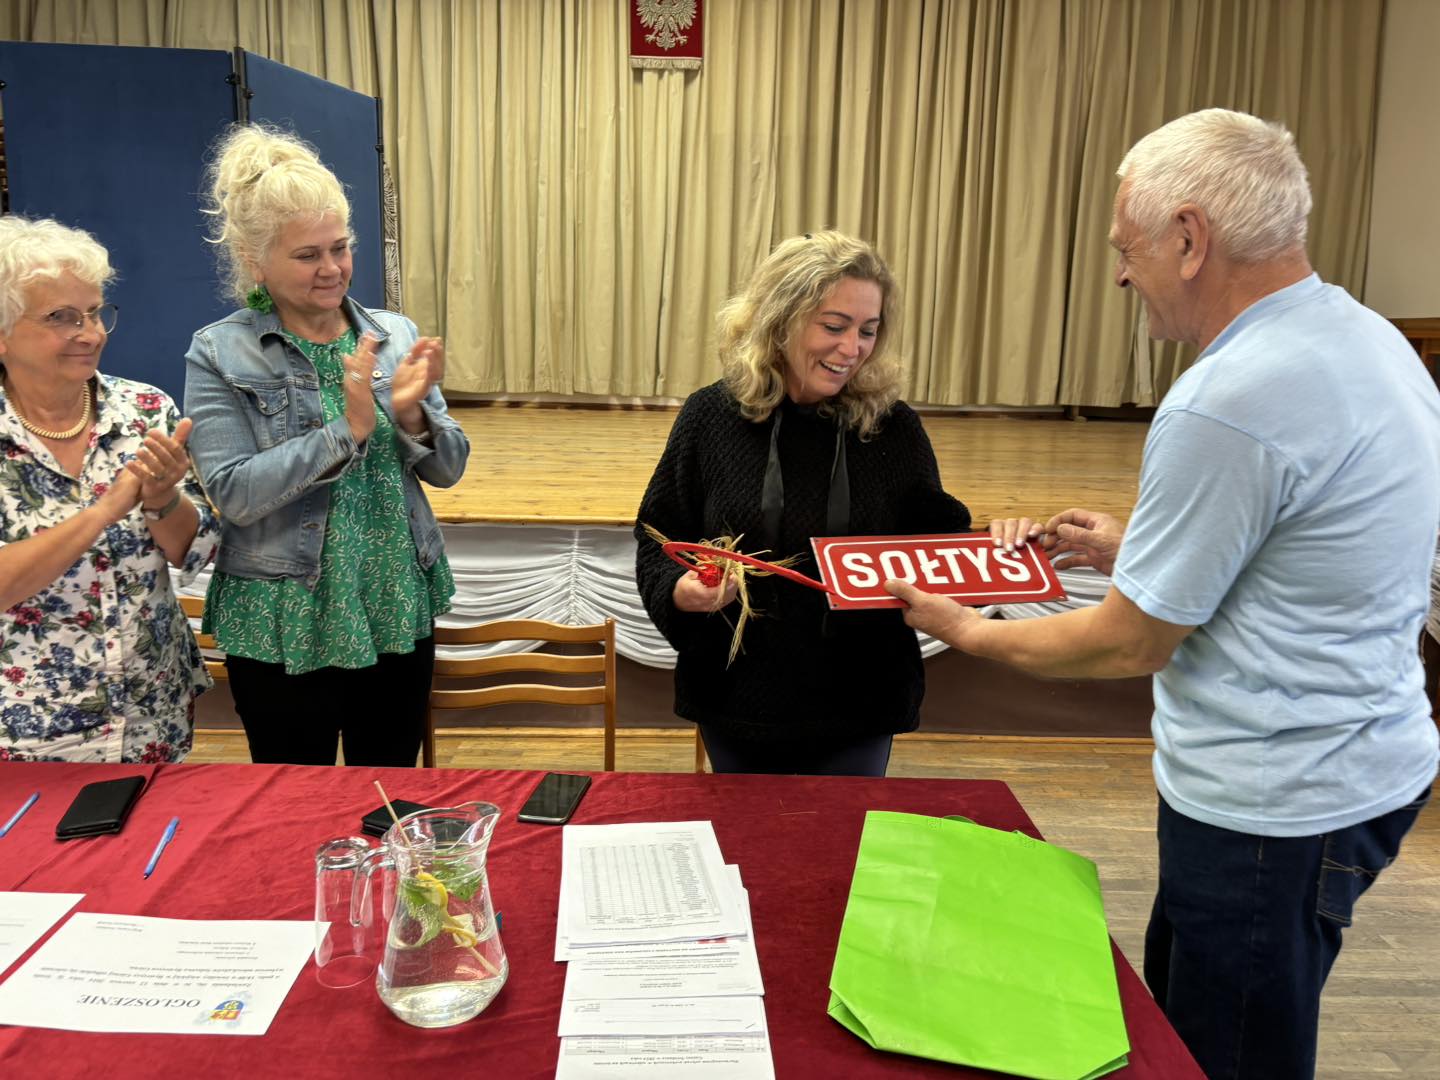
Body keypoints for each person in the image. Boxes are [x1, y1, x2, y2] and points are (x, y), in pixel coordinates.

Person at [888, 109, 1440, 1080]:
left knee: (1221, 1058)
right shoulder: (1366, 338)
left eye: (1125, 247)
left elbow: (1127, 644)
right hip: (1356, 767)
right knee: (1184, 1026)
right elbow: (1301, 553)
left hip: (1271, 805)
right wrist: (1138, 548)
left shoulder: (1231, 396)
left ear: (1189, 238)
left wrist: (966, 630)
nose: (1119, 274)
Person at [184, 125, 470, 767]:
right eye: (307, 255)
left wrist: (411, 415)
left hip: (391, 599)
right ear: (256, 261)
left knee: (387, 790)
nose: (332, 269)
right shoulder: (219, 351)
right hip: (283, 613)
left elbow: (449, 469)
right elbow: (234, 493)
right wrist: (349, 430)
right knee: (291, 798)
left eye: (340, 248)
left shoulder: (394, 334)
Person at [634, 231, 971, 776]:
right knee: (747, 831)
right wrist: (681, 591)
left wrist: (1005, 549)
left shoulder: (893, 429)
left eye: (868, 330)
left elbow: (940, 543)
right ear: (780, 319)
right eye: (834, 326)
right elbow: (658, 537)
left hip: (860, 704)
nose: (852, 349)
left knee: (844, 832)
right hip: (735, 699)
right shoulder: (709, 418)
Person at [0, 216, 218, 763]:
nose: (91, 333)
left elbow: (193, 550)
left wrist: (163, 500)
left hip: (153, 716)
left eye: (95, 312)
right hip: (28, 734)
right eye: (62, 317)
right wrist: (104, 511)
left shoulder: (144, 409)